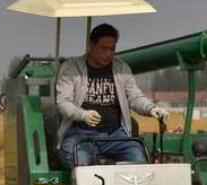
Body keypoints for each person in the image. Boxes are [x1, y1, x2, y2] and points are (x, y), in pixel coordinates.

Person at [55, 23, 169, 168]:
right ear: (90, 46)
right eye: (104, 48)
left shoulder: (122, 68)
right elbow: (63, 103)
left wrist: (151, 109)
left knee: (138, 159)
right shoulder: (72, 68)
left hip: (116, 135)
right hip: (80, 134)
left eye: (112, 49)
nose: (108, 53)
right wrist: (82, 115)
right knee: (80, 163)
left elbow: (135, 97)